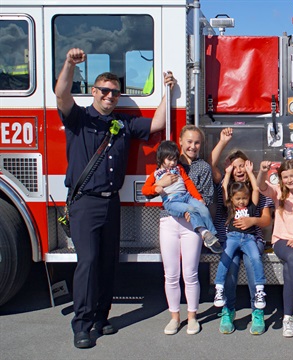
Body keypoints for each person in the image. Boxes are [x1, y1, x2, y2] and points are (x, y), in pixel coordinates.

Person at [55, 47, 175, 349]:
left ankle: (100, 317)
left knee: (109, 262)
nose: (110, 96)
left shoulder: (122, 124)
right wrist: (69, 63)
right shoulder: (79, 119)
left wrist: (167, 91)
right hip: (85, 201)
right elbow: (61, 95)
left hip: (111, 202)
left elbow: (157, 125)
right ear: (94, 91)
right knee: (89, 262)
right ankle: (81, 325)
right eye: (105, 91)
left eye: (115, 93)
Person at [209, 127, 274, 335]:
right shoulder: (226, 191)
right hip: (228, 239)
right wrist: (222, 142)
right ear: (229, 168)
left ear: (248, 168)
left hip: (251, 238)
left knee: (253, 266)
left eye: (242, 166)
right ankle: (228, 311)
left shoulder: (256, 193)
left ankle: (257, 312)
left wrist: (251, 220)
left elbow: (265, 220)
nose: (239, 170)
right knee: (230, 267)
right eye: (235, 166)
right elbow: (211, 165)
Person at [151, 125, 215, 336]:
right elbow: (150, 190)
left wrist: (193, 211)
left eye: (197, 143)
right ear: (180, 141)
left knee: (191, 273)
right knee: (170, 274)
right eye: (189, 141)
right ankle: (174, 317)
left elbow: (206, 197)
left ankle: (192, 317)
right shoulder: (168, 163)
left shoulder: (203, 168)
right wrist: (159, 184)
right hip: (168, 221)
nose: (193, 146)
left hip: (190, 225)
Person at [257, 159, 293, 338]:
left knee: (289, 268)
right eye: (285, 177)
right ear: (281, 179)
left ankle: (287, 319)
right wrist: (261, 171)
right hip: (281, 240)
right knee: (291, 258)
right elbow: (261, 187)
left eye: (292, 176)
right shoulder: (278, 192)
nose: (289, 180)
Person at [142, 140, 222, 254]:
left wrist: (198, 198)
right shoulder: (156, 174)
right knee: (191, 210)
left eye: (174, 159)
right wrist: (156, 187)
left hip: (186, 196)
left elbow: (188, 183)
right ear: (161, 158)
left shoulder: (179, 168)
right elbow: (145, 190)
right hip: (171, 201)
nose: (172, 163)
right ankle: (204, 233)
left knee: (203, 209)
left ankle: (211, 236)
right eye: (169, 159)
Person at [214, 161, 267, 310]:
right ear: (232, 199)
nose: (242, 201)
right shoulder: (230, 206)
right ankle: (219, 287)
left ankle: (259, 289)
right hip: (232, 238)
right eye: (238, 198)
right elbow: (224, 188)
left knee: (255, 258)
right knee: (226, 257)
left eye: (244, 198)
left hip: (249, 239)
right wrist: (228, 172)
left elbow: (255, 189)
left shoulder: (251, 205)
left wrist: (250, 172)